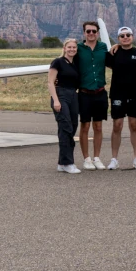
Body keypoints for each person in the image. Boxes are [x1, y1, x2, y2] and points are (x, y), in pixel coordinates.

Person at [104, 26, 136, 169]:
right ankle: (114, 159)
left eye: (128, 35)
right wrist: (115, 47)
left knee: (134, 125)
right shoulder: (113, 53)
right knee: (117, 126)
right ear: (118, 38)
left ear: (132, 36)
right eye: (122, 36)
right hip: (117, 93)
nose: (125, 37)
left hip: (135, 94)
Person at [76, 21, 109, 170]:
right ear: (84, 33)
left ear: (98, 33)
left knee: (98, 126)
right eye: (88, 31)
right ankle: (86, 158)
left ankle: (97, 157)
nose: (91, 34)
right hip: (84, 93)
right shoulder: (78, 48)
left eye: (94, 31)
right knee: (85, 126)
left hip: (100, 92)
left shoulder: (103, 48)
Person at [47, 39, 81, 173]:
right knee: (65, 127)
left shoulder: (75, 64)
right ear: (64, 48)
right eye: (69, 47)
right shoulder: (58, 62)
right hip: (60, 95)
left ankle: (62, 162)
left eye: (74, 47)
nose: (72, 49)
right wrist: (56, 100)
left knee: (72, 127)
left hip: (73, 95)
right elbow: (50, 82)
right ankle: (68, 163)